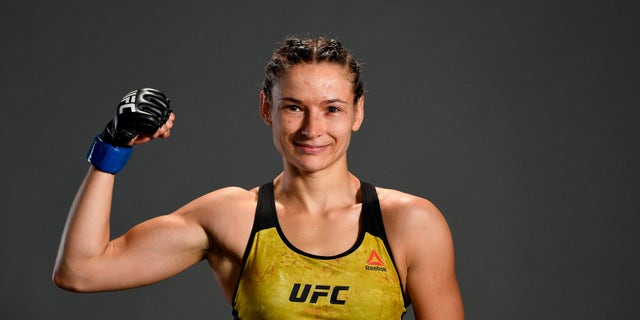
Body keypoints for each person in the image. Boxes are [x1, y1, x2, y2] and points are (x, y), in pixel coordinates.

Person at [53, 36, 464, 319]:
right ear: (267, 108)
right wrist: (113, 144)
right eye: (294, 108)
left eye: (332, 109)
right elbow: (80, 271)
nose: (312, 129)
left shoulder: (410, 222)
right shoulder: (233, 217)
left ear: (358, 112)